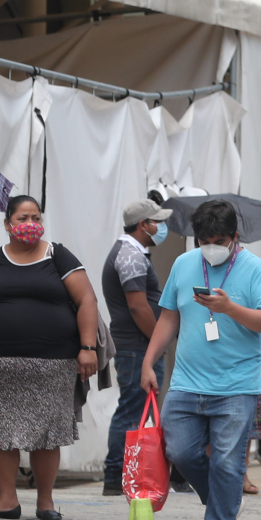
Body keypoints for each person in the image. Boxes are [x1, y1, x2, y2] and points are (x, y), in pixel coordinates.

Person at [142, 197, 261, 520]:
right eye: (204, 241)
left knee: (227, 464)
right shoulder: (184, 264)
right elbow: (169, 317)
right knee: (180, 452)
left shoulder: (254, 269)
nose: (211, 248)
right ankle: (223, 500)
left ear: (234, 237)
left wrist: (229, 308)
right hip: (186, 381)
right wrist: (148, 361)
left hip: (237, 386)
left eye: (219, 240)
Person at [0, 195, 98, 520]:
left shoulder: (58, 256)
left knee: (47, 433)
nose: (29, 224)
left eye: (35, 217)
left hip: (52, 364)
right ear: (7, 224)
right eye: (22, 218)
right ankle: (6, 500)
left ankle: (45, 501)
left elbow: (87, 300)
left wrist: (88, 347)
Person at [100, 198, 171, 496]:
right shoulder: (130, 255)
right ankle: (116, 475)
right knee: (132, 410)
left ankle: (122, 472)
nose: (162, 227)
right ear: (144, 225)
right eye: (158, 221)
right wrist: (158, 341)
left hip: (137, 345)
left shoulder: (134, 252)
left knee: (135, 408)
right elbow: (138, 306)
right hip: (137, 346)